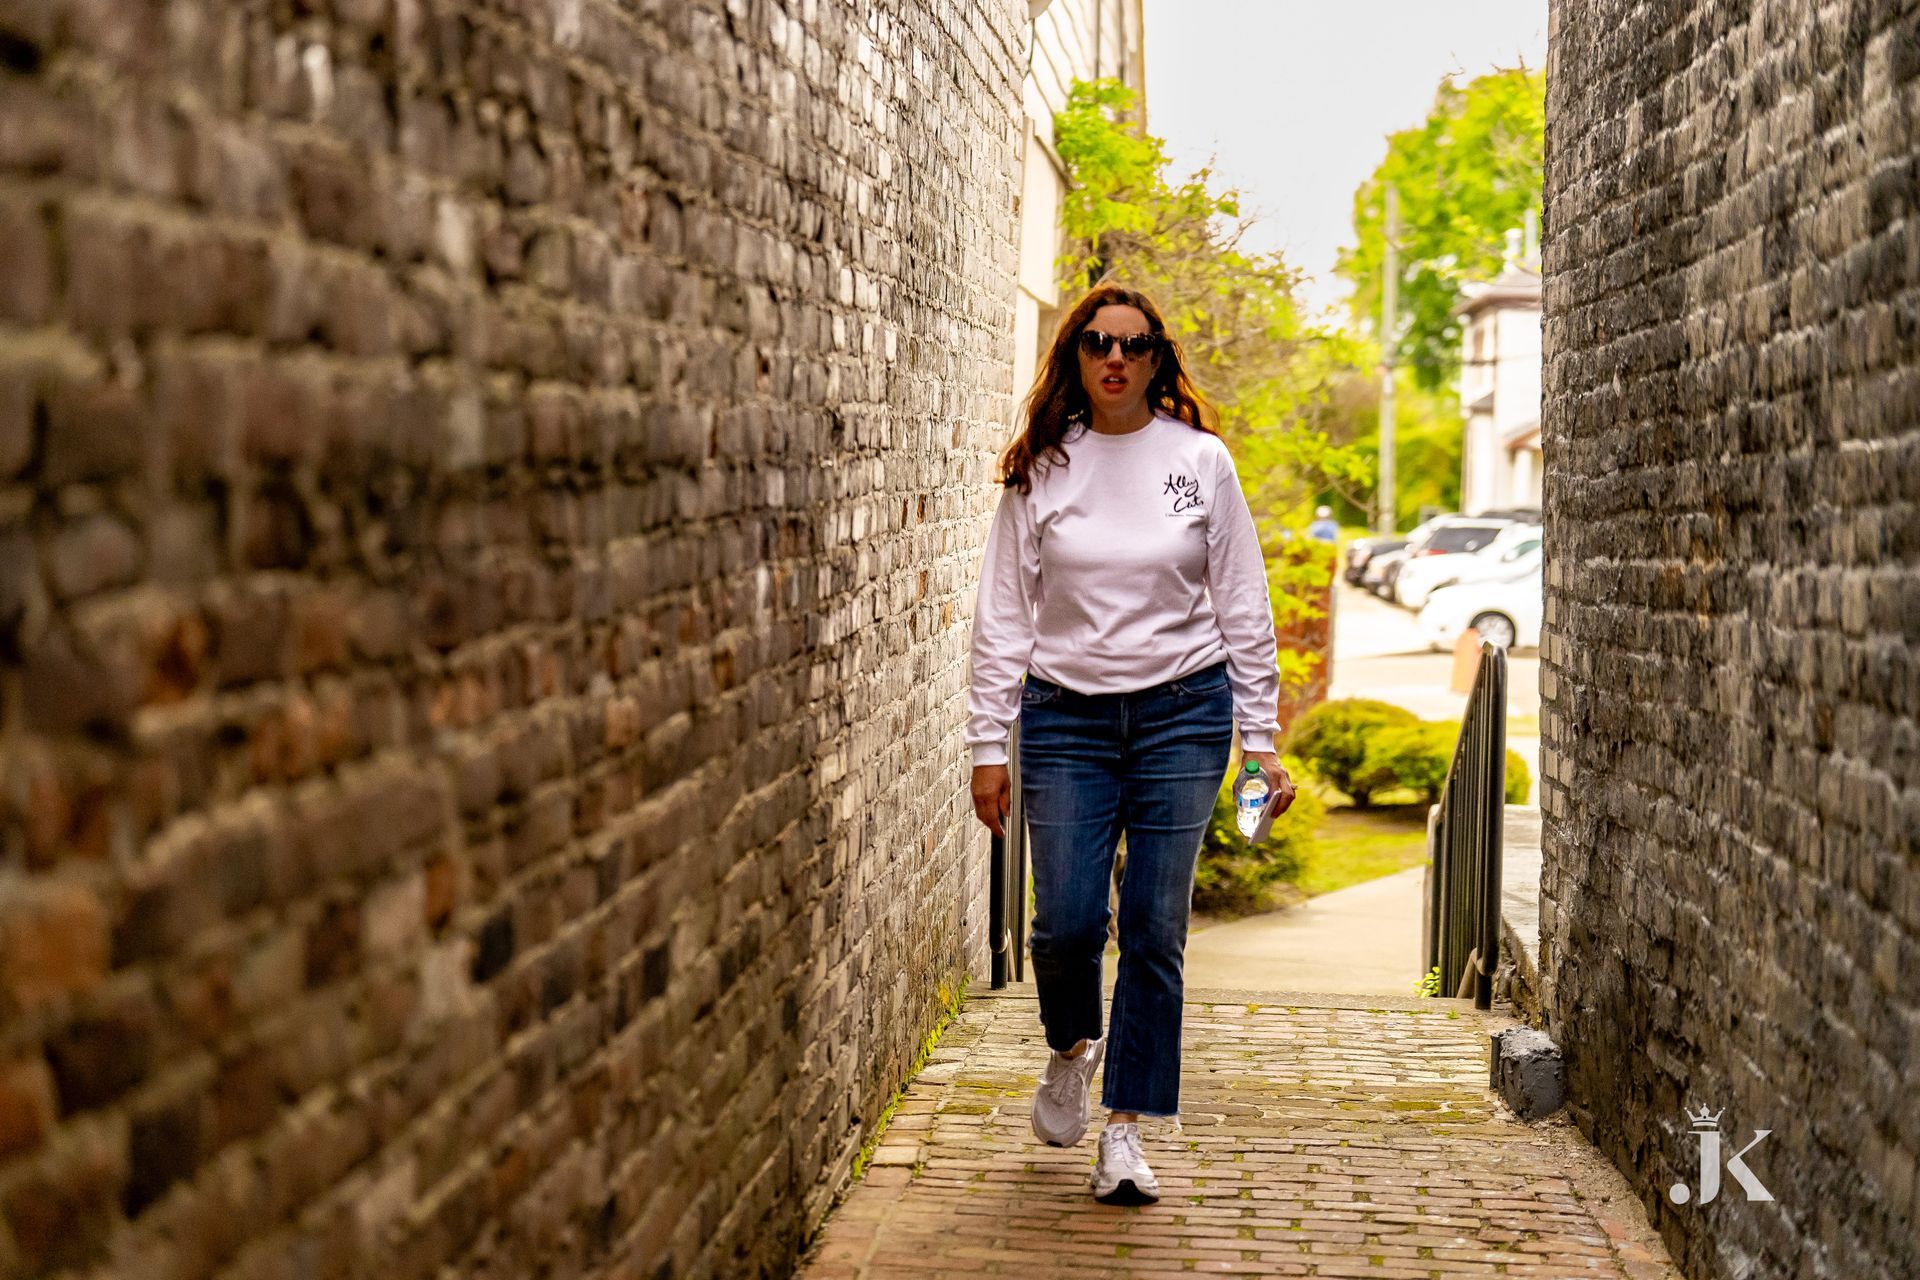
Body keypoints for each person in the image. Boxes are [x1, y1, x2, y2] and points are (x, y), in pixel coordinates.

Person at [965, 284, 1297, 1205]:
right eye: (1098, 343)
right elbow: (1002, 614)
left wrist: (1260, 742)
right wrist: (987, 741)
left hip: (1182, 714)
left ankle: (1125, 1130)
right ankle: (1071, 1047)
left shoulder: (1202, 461)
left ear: (1157, 360)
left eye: (1135, 345)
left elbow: (1242, 603)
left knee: (1155, 928)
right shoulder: (1044, 467)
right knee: (1064, 923)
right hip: (1066, 716)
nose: (1116, 358)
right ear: (1076, 356)